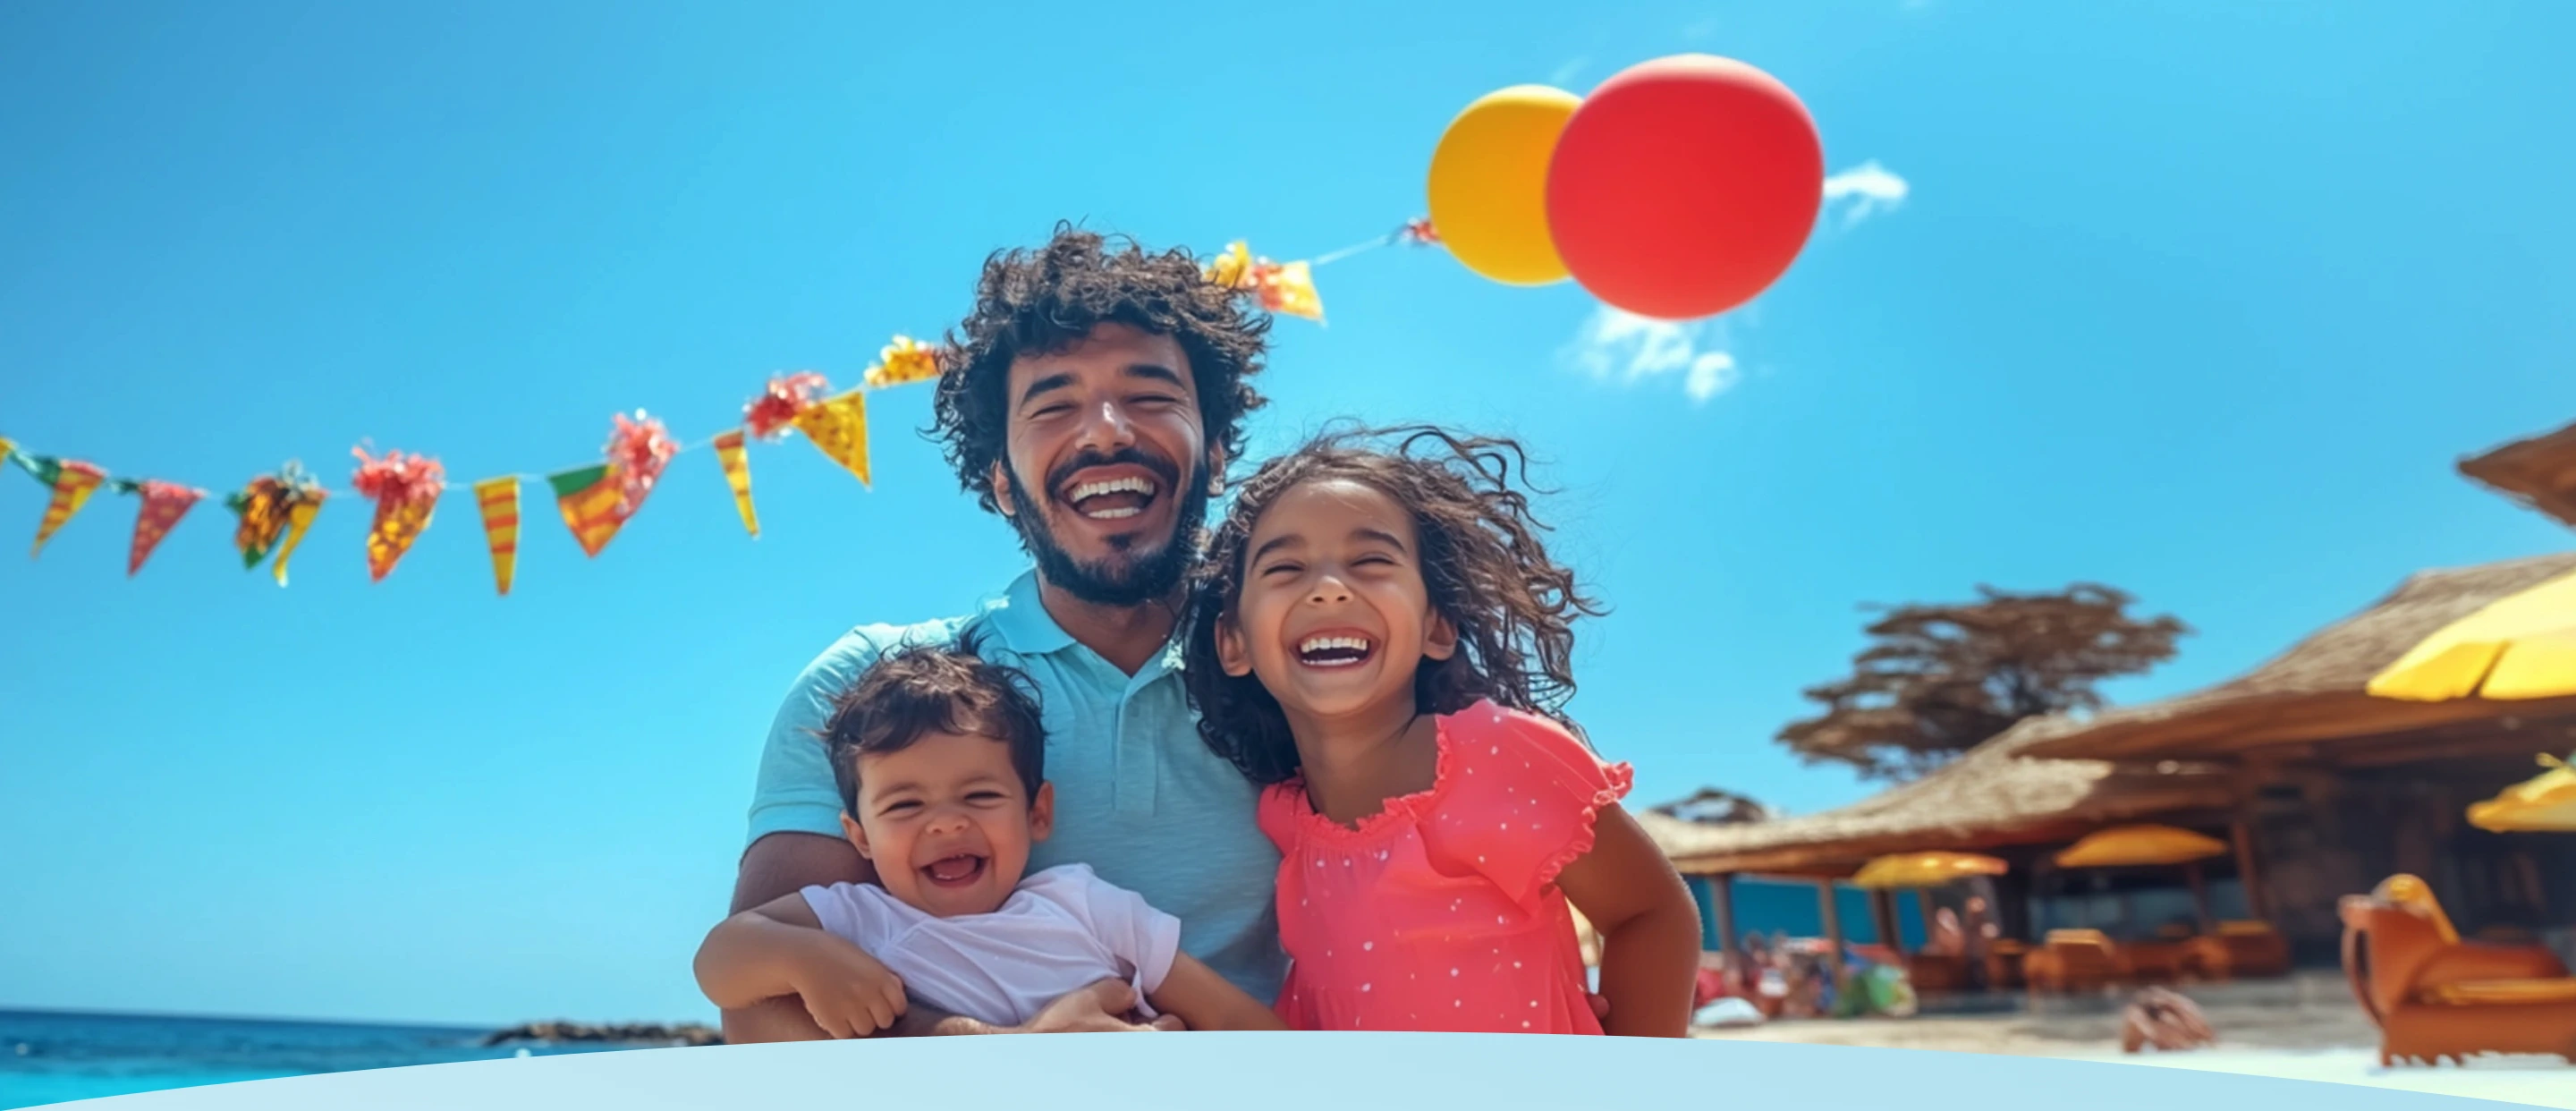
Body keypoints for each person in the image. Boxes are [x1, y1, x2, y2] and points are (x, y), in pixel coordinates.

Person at [725, 226, 1283, 1040]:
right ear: (1003, 482)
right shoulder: (865, 685)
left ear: (1219, 452)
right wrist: (1005, 1060)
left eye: (1150, 395)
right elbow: (759, 1009)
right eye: (1053, 405)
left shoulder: (1302, 669)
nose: (1105, 431)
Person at [1179, 425, 1702, 1035]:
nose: (1328, 590)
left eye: (1371, 561)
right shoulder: (1284, 818)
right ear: (1234, 642)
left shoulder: (1499, 755)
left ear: (1437, 627)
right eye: (1286, 567)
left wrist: (1628, 1073)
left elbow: (1651, 913)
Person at [697, 639, 1282, 1035]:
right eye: (905, 804)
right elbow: (718, 961)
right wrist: (803, 958)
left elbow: (1242, 1025)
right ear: (860, 837)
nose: (946, 823)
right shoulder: (856, 920)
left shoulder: (1089, 906)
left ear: (1037, 812)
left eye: (978, 795)